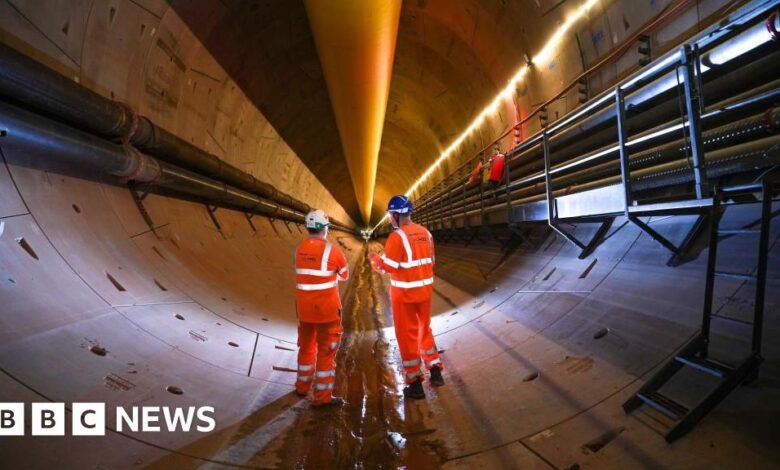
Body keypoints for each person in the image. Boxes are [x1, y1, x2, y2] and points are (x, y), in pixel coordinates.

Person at [368, 195, 444, 399]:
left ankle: (416, 384)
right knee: (424, 330)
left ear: (395, 214)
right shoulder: (426, 234)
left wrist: (376, 260)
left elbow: (390, 267)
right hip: (425, 293)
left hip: (404, 296)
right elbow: (430, 262)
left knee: (407, 336)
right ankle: (435, 370)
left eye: (390, 215)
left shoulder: (397, 237)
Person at [293, 209, 349, 407]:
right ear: (325, 228)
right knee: (326, 352)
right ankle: (322, 398)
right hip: (327, 312)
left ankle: (301, 387)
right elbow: (344, 275)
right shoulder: (332, 250)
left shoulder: (299, 249)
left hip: (305, 311)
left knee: (306, 349)